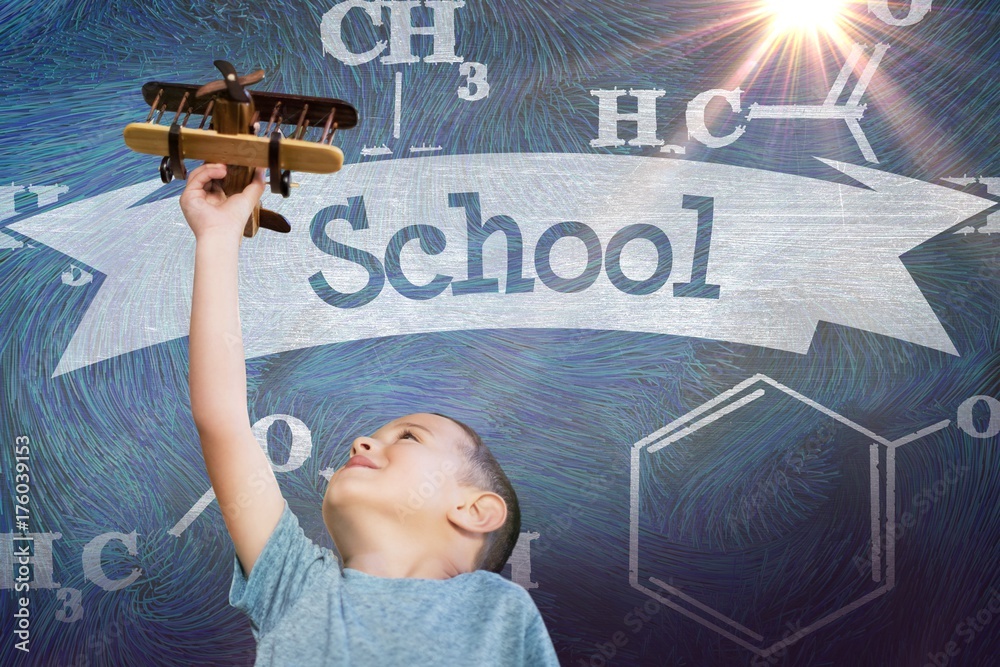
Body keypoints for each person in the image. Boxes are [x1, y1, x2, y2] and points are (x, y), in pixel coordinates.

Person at [180, 163, 560, 666]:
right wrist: (218, 236)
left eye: (407, 437)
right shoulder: (292, 583)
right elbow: (222, 418)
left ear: (474, 511)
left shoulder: (501, 612)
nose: (361, 441)